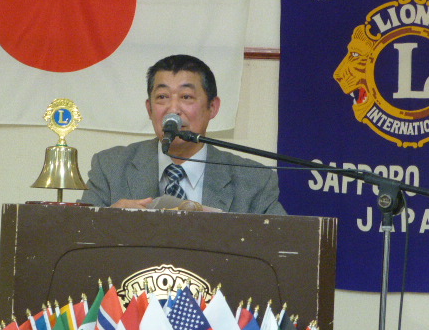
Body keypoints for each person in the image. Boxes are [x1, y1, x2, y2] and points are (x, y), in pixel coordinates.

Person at [80, 54, 286, 215]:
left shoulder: (253, 180)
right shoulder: (110, 167)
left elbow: (280, 244)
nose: (173, 109)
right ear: (149, 109)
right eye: (162, 97)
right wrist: (108, 220)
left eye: (186, 97)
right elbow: (77, 235)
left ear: (212, 108)